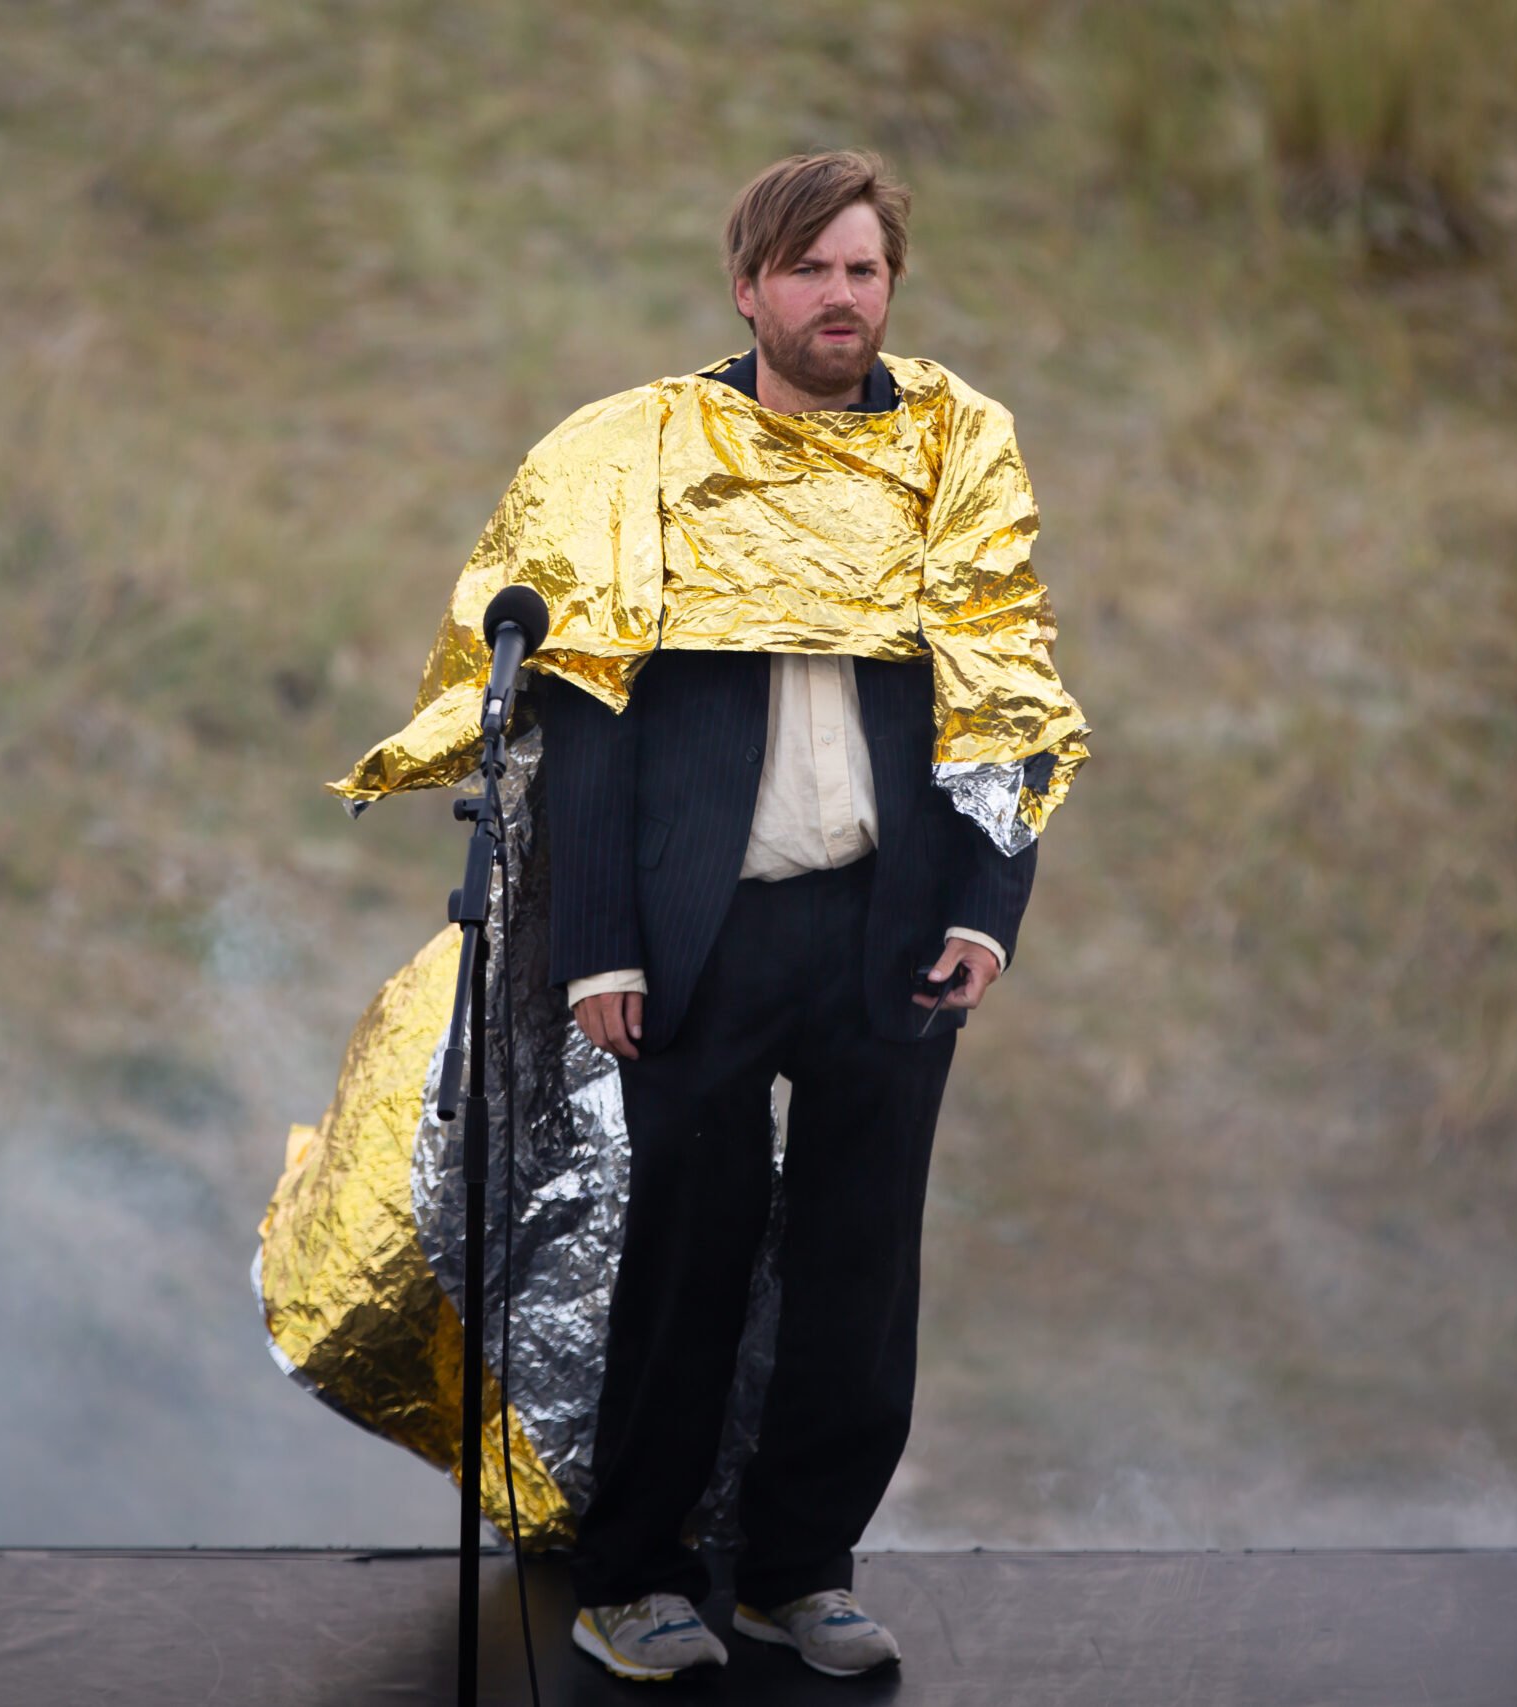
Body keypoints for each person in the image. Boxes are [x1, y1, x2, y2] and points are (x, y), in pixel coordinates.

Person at [536, 151, 1061, 1684]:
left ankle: (799, 1572)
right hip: (706, 933)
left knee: (858, 1267)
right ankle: (631, 1579)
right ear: (750, 287)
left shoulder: (949, 452)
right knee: (684, 1261)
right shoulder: (654, 456)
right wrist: (599, 945)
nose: (845, 297)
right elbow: (588, 713)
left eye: (867, 271)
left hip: (886, 928)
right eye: (814, 270)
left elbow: (1004, 693)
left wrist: (987, 907)